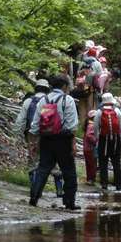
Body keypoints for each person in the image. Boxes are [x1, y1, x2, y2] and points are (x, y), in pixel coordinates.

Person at [29, 74, 80, 210]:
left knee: (43, 169)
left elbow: (35, 124)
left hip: (46, 139)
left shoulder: (43, 100)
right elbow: (72, 125)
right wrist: (73, 142)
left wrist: (34, 142)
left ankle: (34, 197)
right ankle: (69, 202)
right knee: (69, 171)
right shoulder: (67, 100)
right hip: (63, 140)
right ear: (64, 86)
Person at [15, 79, 63, 193]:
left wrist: (17, 134)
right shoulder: (51, 100)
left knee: (33, 161)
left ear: (36, 88)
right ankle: (59, 189)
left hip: (32, 135)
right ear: (47, 89)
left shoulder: (28, 101)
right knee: (52, 161)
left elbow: (21, 120)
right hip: (50, 135)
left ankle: (34, 189)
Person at [96, 93, 121, 191]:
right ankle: (119, 184)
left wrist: (97, 139)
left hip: (104, 139)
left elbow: (96, 127)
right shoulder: (117, 111)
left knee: (103, 162)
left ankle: (104, 184)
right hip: (116, 139)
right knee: (116, 162)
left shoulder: (99, 112)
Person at [84, 109, 98, 185]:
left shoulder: (88, 125)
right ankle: (91, 179)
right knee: (92, 164)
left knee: (88, 164)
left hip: (86, 148)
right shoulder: (92, 126)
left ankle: (89, 178)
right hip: (91, 148)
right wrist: (95, 141)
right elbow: (89, 135)